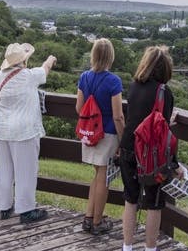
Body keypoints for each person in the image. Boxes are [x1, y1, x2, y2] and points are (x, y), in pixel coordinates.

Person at [118, 46, 183, 251]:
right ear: (165, 68)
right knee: (154, 204)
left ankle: (127, 247)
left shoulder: (134, 86)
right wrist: (175, 164)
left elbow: (135, 116)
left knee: (130, 200)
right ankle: (150, 249)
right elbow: (163, 135)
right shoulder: (164, 92)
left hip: (128, 148)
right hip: (151, 157)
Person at [0, 42, 56, 224]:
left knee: (3, 169)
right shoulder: (28, 76)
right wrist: (50, 59)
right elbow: (45, 69)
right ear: (23, 61)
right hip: (23, 130)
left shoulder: (1, 74)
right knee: (26, 171)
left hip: (1, 127)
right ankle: (26, 210)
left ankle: (4, 206)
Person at [75, 38, 125, 235]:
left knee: (97, 175)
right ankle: (97, 222)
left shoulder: (84, 77)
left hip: (89, 132)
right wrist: (125, 139)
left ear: (93, 55)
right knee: (103, 178)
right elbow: (118, 115)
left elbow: (79, 108)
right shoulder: (114, 81)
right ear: (110, 57)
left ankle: (89, 217)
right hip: (108, 133)